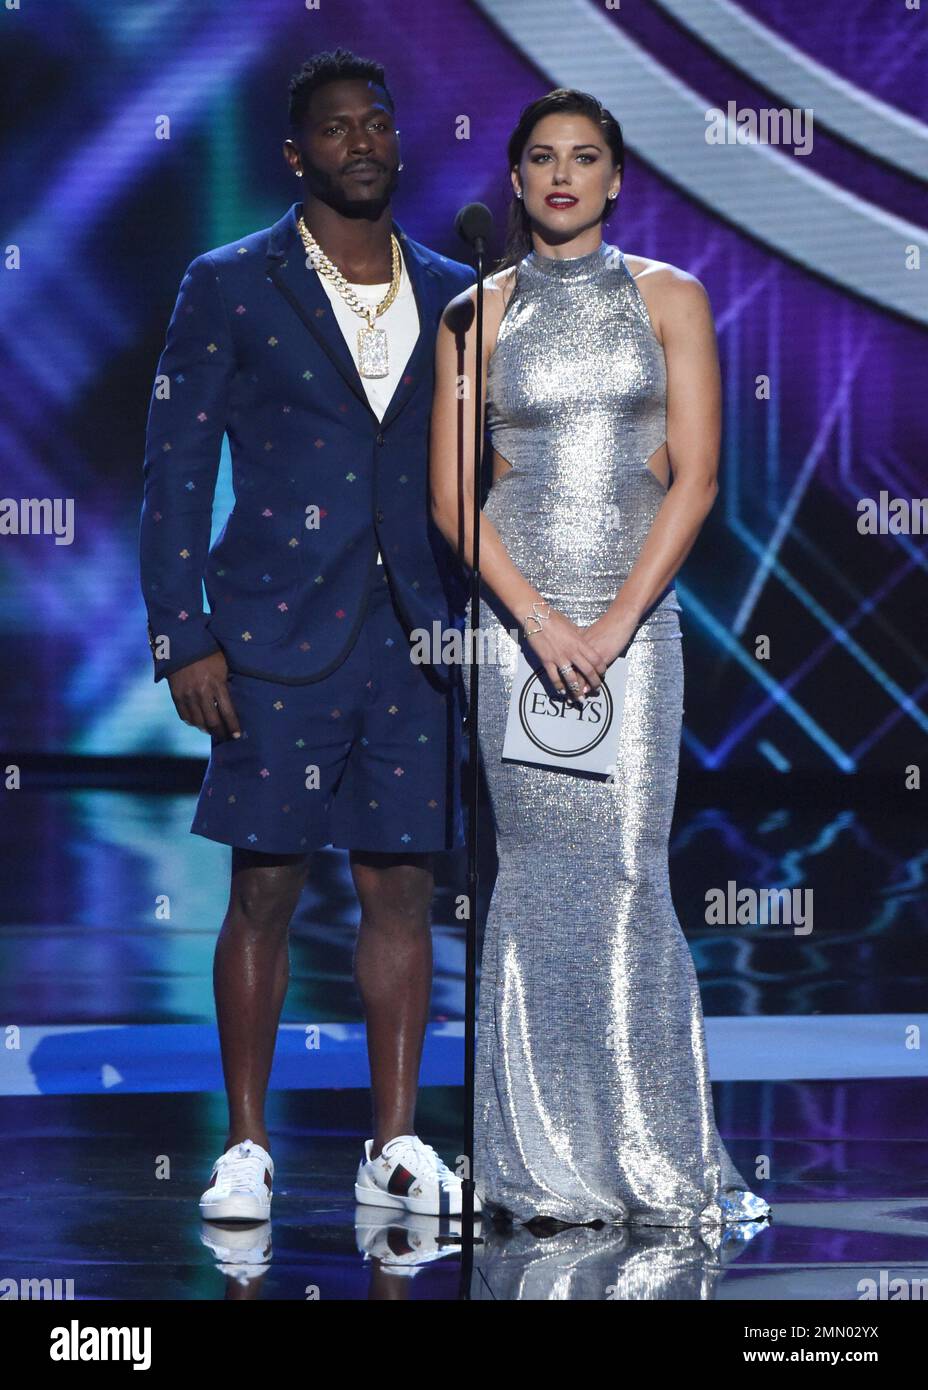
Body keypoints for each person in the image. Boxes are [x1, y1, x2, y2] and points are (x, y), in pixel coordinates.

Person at [139, 48, 480, 1222]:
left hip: (417, 640)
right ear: (296, 154)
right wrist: (182, 635)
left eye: (377, 122)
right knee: (266, 891)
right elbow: (174, 472)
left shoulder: (455, 289)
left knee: (401, 892)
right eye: (336, 128)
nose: (363, 141)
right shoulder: (230, 284)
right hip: (274, 635)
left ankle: (393, 1143)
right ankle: (245, 1146)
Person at [430, 88, 771, 1231]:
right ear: (515, 178)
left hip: (633, 627)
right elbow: (450, 498)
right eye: (540, 156)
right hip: (517, 629)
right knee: (529, 883)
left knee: (626, 875)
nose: (562, 174)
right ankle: (537, 1168)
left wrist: (614, 622)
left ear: (616, 179)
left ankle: (652, 1156)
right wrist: (537, 621)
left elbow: (698, 477)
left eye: (585, 157)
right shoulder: (473, 314)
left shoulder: (669, 297)